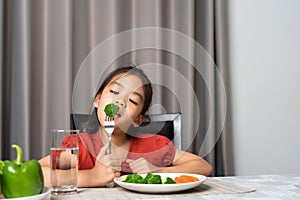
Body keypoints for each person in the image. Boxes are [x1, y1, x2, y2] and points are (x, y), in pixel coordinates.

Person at [39, 65, 212, 187]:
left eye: (132, 100)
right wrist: (91, 176)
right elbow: (37, 173)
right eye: (114, 92)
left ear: (138, 119)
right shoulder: (80, 147)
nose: (119, 101)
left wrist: (156, 171)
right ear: (97, 101)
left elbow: (204, 167)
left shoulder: (155, 146)